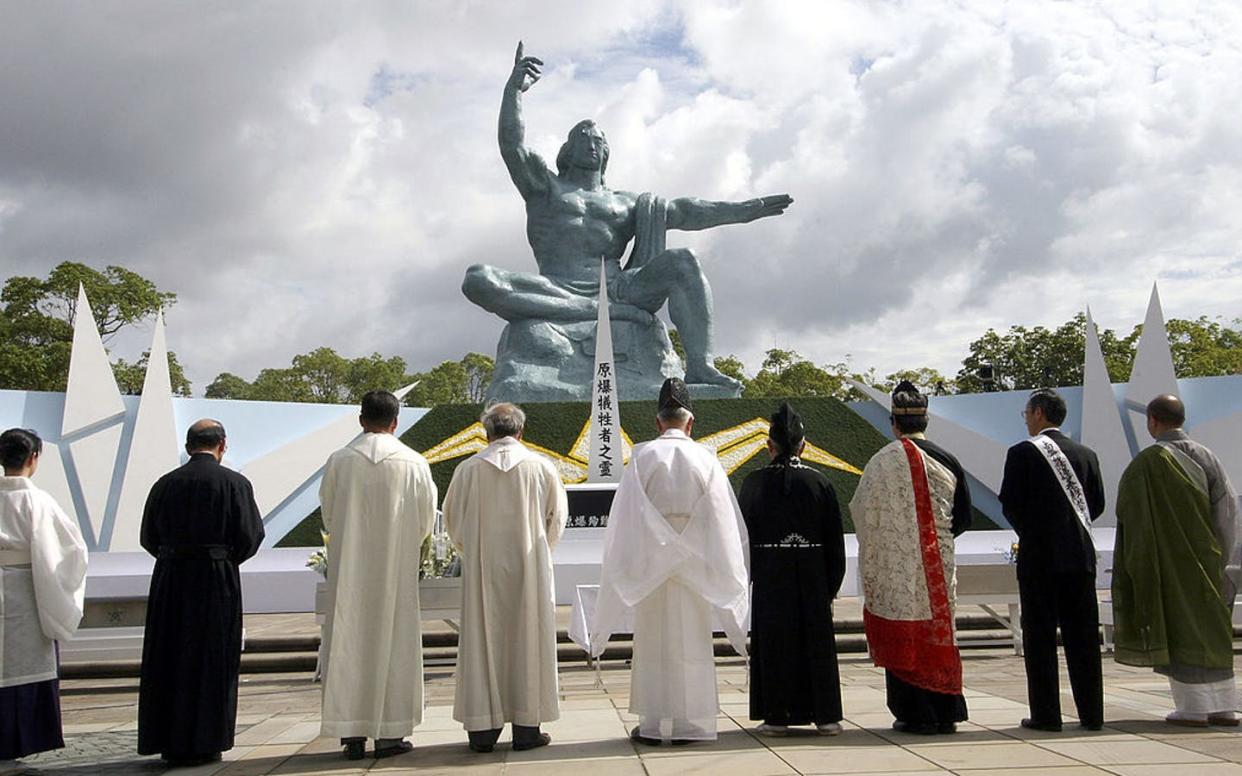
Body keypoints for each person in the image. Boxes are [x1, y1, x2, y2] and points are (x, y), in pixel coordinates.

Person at [462, 42, 793, 391]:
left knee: (684, 261)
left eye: (600, 141)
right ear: (568, 149)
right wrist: (513, 90)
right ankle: (586, 311)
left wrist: (744, 211)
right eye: (583, 138)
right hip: (555, 285)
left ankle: (701, 366)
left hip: (618, 289)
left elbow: (685, 210)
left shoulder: (626, 203)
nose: (593, 145)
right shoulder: (545, 187)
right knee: (478, 279)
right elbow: (511, 145)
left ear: (607, 153)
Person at [588, 378, 750, 744]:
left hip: (652, 568)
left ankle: (654, 722)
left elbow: (627, 519)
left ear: (658, 421)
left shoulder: (642, 458)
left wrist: (654, 551)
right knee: (692, 643)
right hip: (693, 568)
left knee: (654, 646)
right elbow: (723, 521)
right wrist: (700, 554)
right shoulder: (706, 459)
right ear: (690, 423)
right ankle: (692, 723)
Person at [442, 402, 568, 752]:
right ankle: (527, 727)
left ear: (487, 432)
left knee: (484, 640)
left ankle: (482, 729)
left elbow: (453, 521)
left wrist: (475, 551)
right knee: (529, 640)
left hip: (484, 568)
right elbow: (556, 520)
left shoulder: (468, 470)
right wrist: (540, 550)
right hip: (530, 568)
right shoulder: (541, 467)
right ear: (520, 431)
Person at [137, 419, 265, 766]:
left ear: (189, 445)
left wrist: (175, 557)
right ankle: (208, 740)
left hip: (172, 578)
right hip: (215, 578)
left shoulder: (164, 484)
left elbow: (148, 536)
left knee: (170, 656)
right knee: (213, 657)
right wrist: (222, 558)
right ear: (222, 445)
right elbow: (250, 536)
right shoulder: (235, 483)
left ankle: (168, 740)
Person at [319, 391, 436, 760]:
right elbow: (425, 519)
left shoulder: (339, 461)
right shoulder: (414, 462)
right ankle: (389, 734)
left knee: (350, 643)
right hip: (395, 570)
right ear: (395, 421)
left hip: (350, 569)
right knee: (395, 643)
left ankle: (351, 732)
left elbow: (329, 515)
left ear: (361, 419)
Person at [1112, 394, 1241, 727]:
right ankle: (1224, 706)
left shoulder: (1146, 464)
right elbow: (1227, 511)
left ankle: (1193, 708)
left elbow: (1132, 517)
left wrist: (1139, 564)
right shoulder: (1207, 456)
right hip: (1208, 561)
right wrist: (1218, 559)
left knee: (1181, 631)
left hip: (1167, 566)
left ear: (1153, 421)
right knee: (1213, 631)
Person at [850, 381, 971, 735]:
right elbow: (962, 518)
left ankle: (914, 711)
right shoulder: (947, 460)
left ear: (893, 423)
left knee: (904, 626)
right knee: (939, 631)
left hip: (897, 568)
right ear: (926, 420)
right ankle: (946, 708)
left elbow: (861, 513)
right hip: (937, 564)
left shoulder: (880, 463)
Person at [998, 388, 1105, 732]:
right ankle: (1092, 714)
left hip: (1040, 559)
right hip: (1080, 557)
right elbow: (1097, 505)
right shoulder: (1086, 454)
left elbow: (1010, 504)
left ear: (1040, 413)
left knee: (1040, 638)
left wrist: (1036, 533)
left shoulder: (1022, 453)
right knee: (1084, 638)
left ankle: (1046, 715)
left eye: (1027, 413)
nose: (1026, 419)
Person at [739, 402, 846, 737]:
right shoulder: (820, 483)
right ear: (803, 444)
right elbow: (835, 543)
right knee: (815, 644)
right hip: (812, 578)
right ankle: (825, 715)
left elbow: (741, 538)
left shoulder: (753, 484)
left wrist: (749, 579)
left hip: (771, 578)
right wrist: (829, 586)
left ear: (769, 446)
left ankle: (777, 715)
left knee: (775, 644)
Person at [0, 429, 88, 771]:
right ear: (34, 458)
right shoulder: (38, 501)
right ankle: (17, 743)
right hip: (26, 590)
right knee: (24, 668)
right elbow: (68, 553)